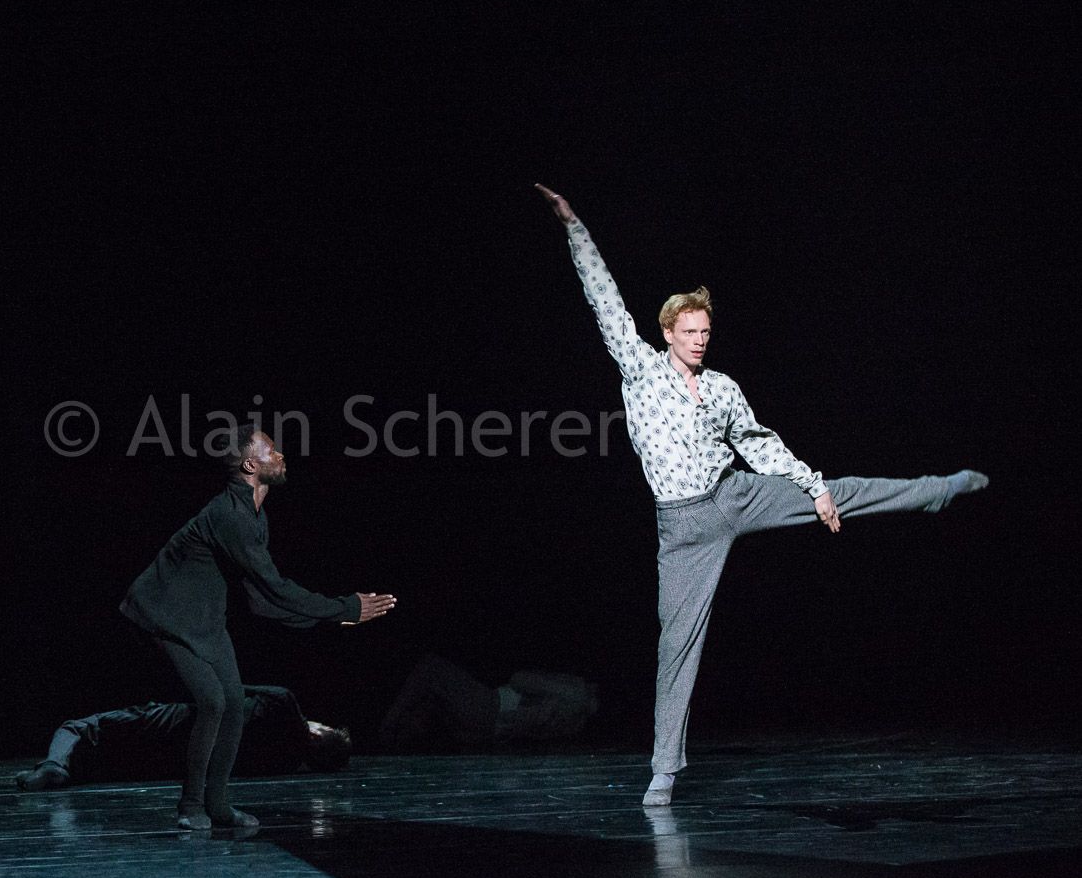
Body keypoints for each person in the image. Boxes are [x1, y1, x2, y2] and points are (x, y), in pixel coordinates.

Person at [536, 184, 989, 806]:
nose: (700, 340)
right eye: (690, 331)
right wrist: (573, 225)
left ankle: (936, 491)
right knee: (677, 646)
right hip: (683, 527)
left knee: (841, 491)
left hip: (735, 494)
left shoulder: (722, 387)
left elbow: (759, 443)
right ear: (668, 332)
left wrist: (812, 488)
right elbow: (604, 299)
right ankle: (664, 771)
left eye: (706, 331)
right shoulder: (640, 369)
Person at [118, 423, 396, 830]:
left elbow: (262, 601)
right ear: (250, 465)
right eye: (271, 450)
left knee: (233, 703)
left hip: (204, 618)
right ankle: (191, 806)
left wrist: (329, 615)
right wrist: (345, 607)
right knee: (213, 702)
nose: (280, 455)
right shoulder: (230, 516)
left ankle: (218, 805)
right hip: (164, 612)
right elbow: (275, 588)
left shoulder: (254, 515)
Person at [15, 684, 351, 789]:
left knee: (82, 726)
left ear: (318, 734)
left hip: (180, 722)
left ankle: (53, 766)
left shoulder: (285, 703)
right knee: (119, 754)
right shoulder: (282, 764)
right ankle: (65, 766)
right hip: (183, 758)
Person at [379, 653, 600, 751]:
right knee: (432, 701)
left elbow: (520, 680)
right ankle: (395, 740)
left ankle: (387, 730)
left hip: (492, 709)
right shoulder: (579, 719)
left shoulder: (576, 692)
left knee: (431, 667)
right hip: (490, 731)